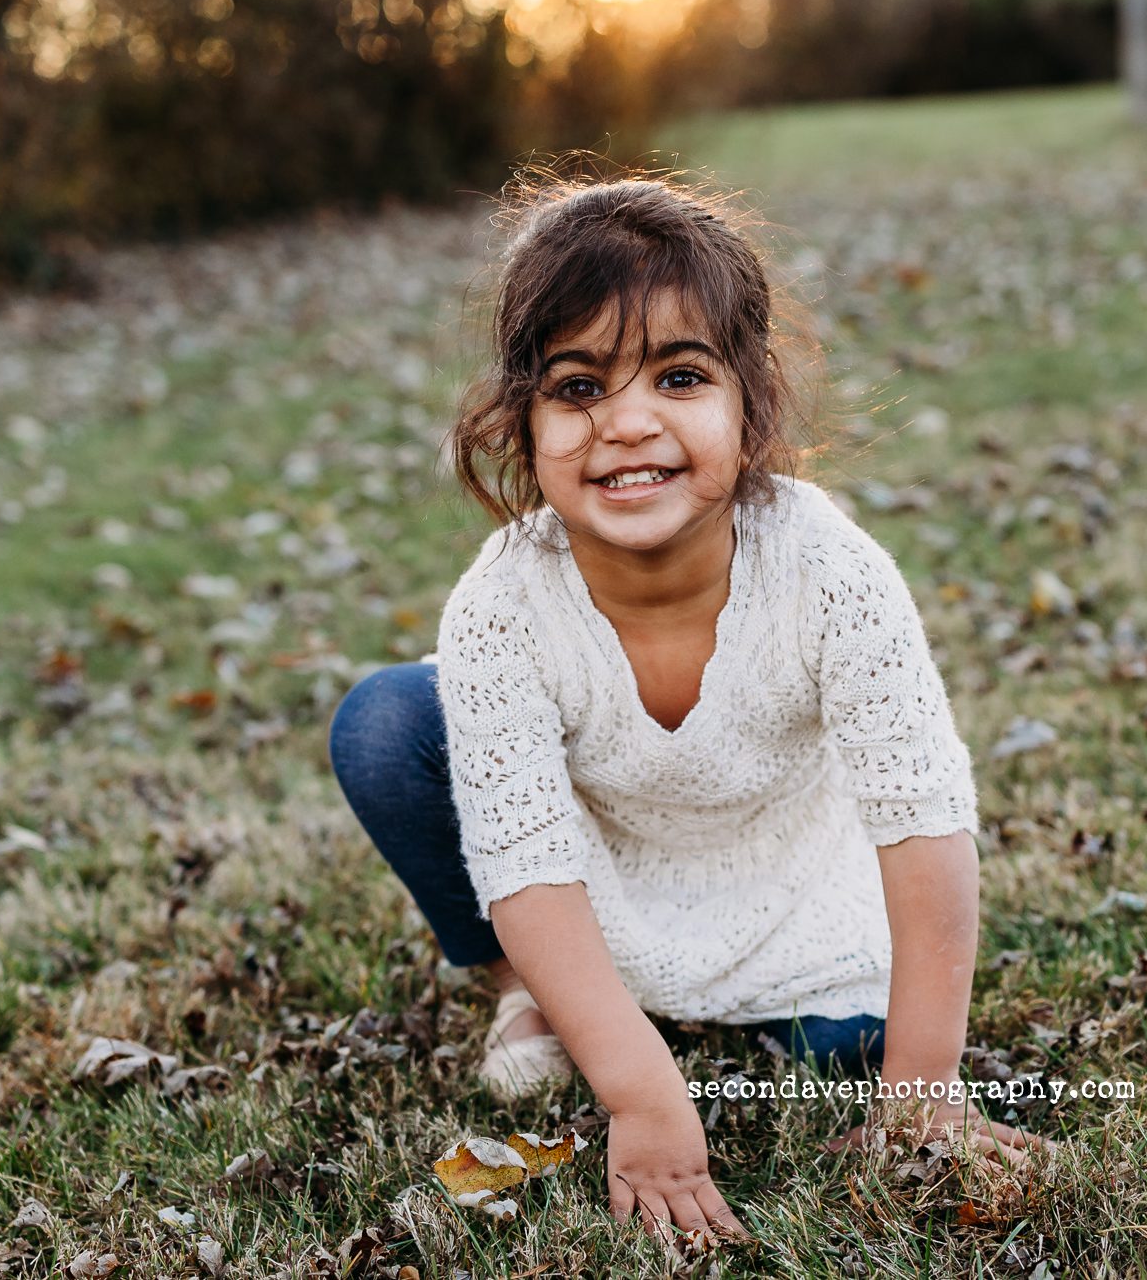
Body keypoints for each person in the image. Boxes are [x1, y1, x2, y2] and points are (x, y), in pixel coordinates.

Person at [327, 171, 1043, 1247]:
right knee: (385, 721)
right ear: (518, 422)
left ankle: (744, 1013)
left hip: (791, 895)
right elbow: (521, 858)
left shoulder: (827, 569)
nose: (625, 424)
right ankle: (530, 991)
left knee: (845, 1053)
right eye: (575, 387)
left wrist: (924, 1086)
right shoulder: (501, 603)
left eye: (676, 375)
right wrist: (641, 1095)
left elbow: (921, 817)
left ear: (748, 404)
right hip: (592, 881)